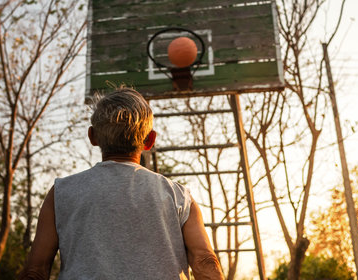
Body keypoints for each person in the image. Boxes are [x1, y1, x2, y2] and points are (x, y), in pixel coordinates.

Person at [20, 87, 224, 280]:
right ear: (150, 140)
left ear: (92, 137)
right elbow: (204, 262)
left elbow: (36, 271)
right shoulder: (178, 197)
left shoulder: (61, 194)